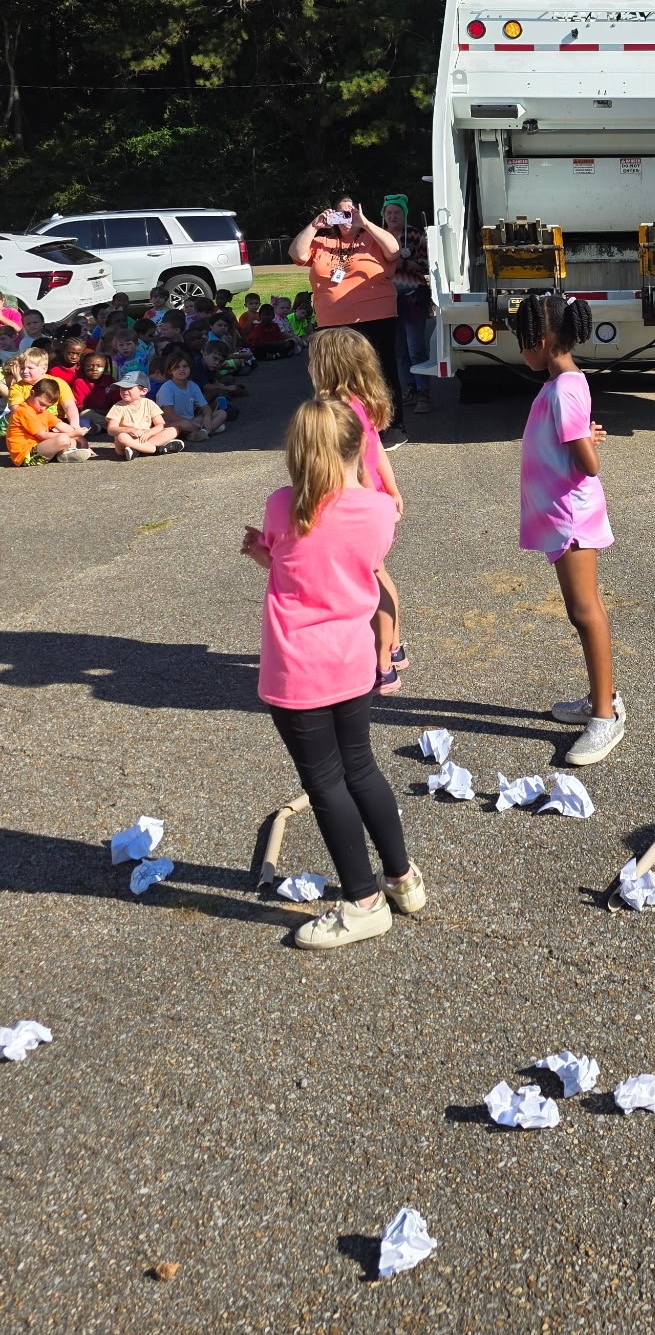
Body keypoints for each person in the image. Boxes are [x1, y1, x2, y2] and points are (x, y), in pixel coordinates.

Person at [241, 395, 424, 950]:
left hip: (298, 667)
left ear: (297, 451)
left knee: (324, 784)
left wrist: (261, 556)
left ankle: (364, 902)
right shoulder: (377, 511)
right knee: (361, 769)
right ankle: (402, 877)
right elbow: (342, 569)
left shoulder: (282, 505)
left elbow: (293, 566)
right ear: (359, 447)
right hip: (351, 658)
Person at [514, 290, 625, 765]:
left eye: (521, 340)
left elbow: (590, 464)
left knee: (585, 612)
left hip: (572, 518)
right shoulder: (561, 386)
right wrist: (584, 437)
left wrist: (587, 443)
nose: (519, 349)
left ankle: (605, 716)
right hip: (562, 516)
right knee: (585, 609)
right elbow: (571, 438)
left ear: (539, 340)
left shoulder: (564, 387)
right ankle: (601, 697)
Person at [306, 326, 407, 696]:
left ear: (327, 367)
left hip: (358, 505)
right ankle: (394, 647)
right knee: (379, 575)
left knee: (370, 583)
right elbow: (377, 450)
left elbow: (360, 466)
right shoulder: (360, 402)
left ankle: (382, 666)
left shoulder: (337, 410)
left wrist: (368, 502)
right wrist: (391, 490)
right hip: (373, 501)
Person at [288, 197, 403, 436]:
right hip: (332, 321)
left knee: (380, 371)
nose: (347, 218)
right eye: (341, 213)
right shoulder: (322, 241)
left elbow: (393, 250)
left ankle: (390, 425)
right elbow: (297, 254)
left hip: (375, 318)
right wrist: (314, 225)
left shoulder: (373, 238)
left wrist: (366, 223)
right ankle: (341, 427)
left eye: (351, 213)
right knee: (334, 376)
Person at [382, 194, 433, 417]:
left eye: (397, 212)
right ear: (383, 215)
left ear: (404, 214)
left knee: (415, 348)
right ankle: (410, 390)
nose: (393, 216)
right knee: (399, 350)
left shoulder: (414, 234)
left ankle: (424, 392)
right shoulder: (377, 236)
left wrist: (399, 262)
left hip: (413, 297)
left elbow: (425, 265)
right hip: (386, 301)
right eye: (389, 212)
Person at [7, 377, 92, 465]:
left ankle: (64, 454)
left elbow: (61, 425)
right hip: (25, 455)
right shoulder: (24, 411)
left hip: (38, 448)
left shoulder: (41, 410)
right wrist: (72, 434)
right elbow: (42, 436)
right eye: (42, 404)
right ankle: (63, 454)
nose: (43, 408)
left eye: (47, 406)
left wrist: (82, 440)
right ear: (32, 393)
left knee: (72, 440)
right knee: (63, 439)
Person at [104, 370, 184, 458]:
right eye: (122, 388)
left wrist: (149, 433)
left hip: (145, 438)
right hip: (126, 442)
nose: (124, 391)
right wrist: (129, 430)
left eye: (129, 388)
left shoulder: (149, 404)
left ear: (143, 391)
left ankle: (137, 450)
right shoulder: (118, 406)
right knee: (122, 437)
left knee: (173, 430)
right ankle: (158, 450)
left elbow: (160, 424)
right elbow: (111, 429)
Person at [153, 348, 224, 442]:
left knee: (222, 413)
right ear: (170, 371)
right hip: (173, 424)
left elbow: (205, 407)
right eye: (177, 367)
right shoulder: (166, 388)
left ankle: (202, 432)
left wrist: (207, 418)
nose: (181, 369)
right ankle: (206, 430)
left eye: (185, 366)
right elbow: (170, 415)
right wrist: (191, 424)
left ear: (190, 368)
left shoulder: (193, 386)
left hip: (192, 421)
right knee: (185, 425)